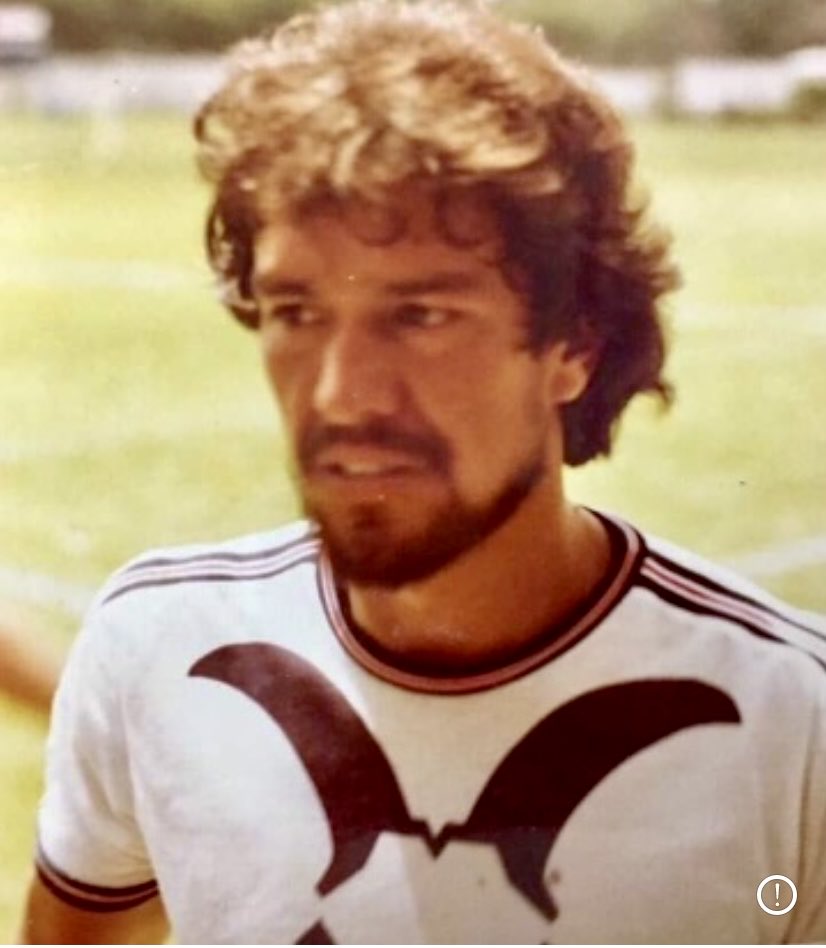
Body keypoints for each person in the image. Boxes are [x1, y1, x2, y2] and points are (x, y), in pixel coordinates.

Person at [19, 0, 826, 942]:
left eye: (422, 315)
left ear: (574, 343)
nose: (341, 393)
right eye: (296, 312)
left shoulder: (792, 724)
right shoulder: (157, 650)